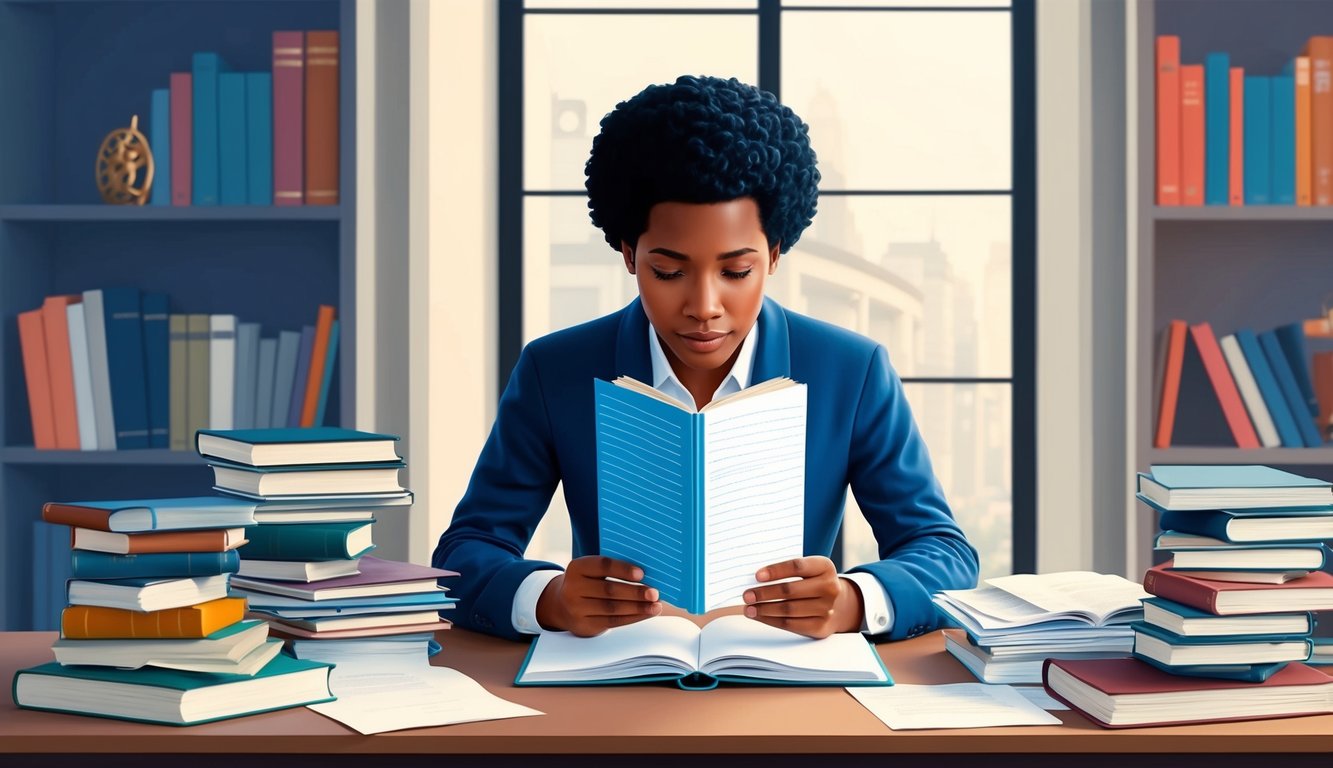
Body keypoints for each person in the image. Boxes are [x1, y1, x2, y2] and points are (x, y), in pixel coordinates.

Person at [432, 75, 978, 642]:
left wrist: (854, 600)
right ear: (628, 253)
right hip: (616, 676)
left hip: (786, 676)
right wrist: (548, 598)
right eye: (668, 272)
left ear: (774, 255)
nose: (704, 307)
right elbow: (466, 552)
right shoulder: (555, 370)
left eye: (737, 272)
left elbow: (943, 551)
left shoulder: (853, 370)